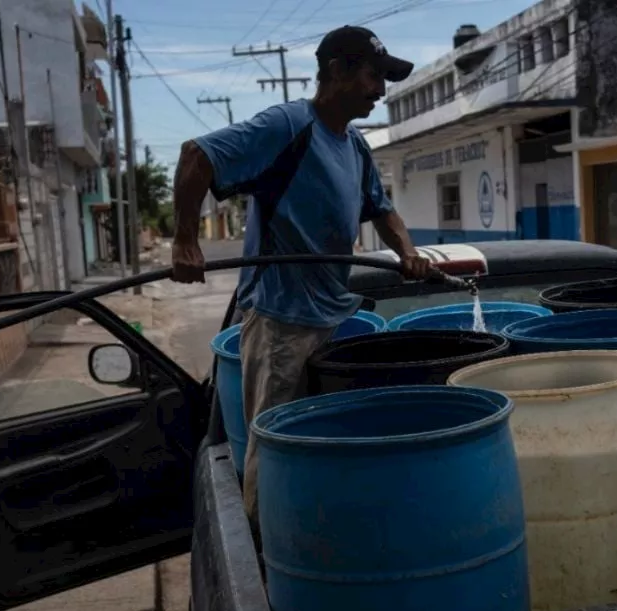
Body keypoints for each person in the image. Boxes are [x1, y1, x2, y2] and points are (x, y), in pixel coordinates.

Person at [169, 26, 431, 547]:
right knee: (275, 452)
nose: (380, 90)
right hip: (281, 325)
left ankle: (314, 545)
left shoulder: (353, 145)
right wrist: (184, 240)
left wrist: (407, 250)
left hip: (332, 321)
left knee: (322, 448)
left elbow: (381, 207)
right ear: (336, 70)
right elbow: (196, 154)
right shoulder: (289, 124)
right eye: (373, 75)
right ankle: (268, 563)